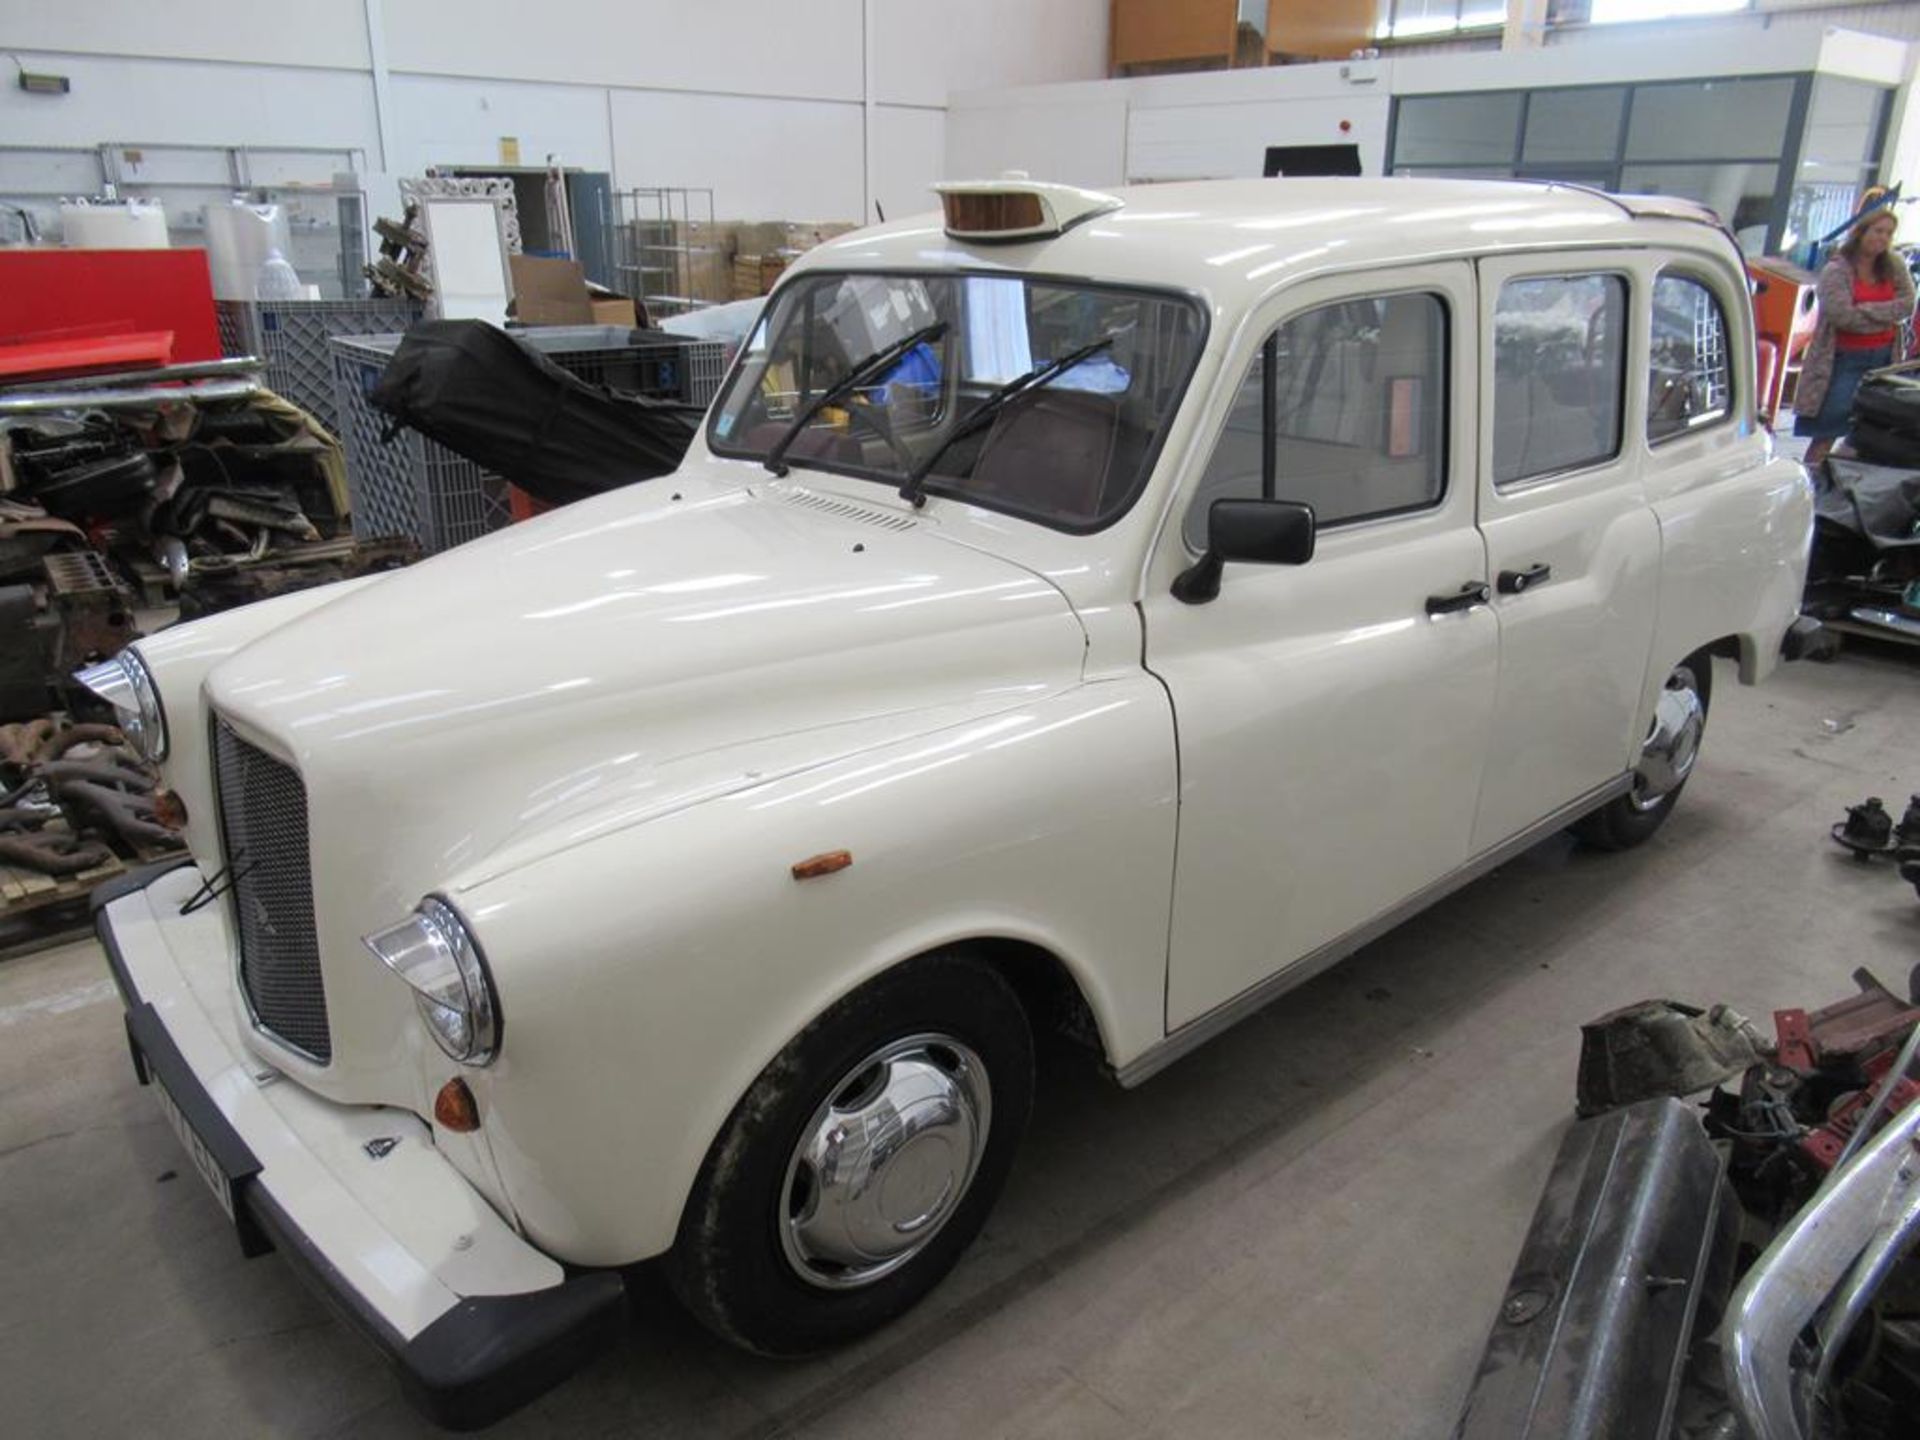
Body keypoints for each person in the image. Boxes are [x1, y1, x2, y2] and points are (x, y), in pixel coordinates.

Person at [1794, 206, 1915, 468]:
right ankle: (1811, 480)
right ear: (1861, 232)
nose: (1882, 238)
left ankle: (1843, 481)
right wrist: (1883, 316)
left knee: (1868, 430)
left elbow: (1907, 304)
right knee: (1827, 429)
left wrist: (1866, 310)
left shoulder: (1893, 265)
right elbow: (1841, 315)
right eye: (1877, 230)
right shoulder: (1837, 269)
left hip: (1884, 358)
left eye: (1888, 233)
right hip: (1843, 359)